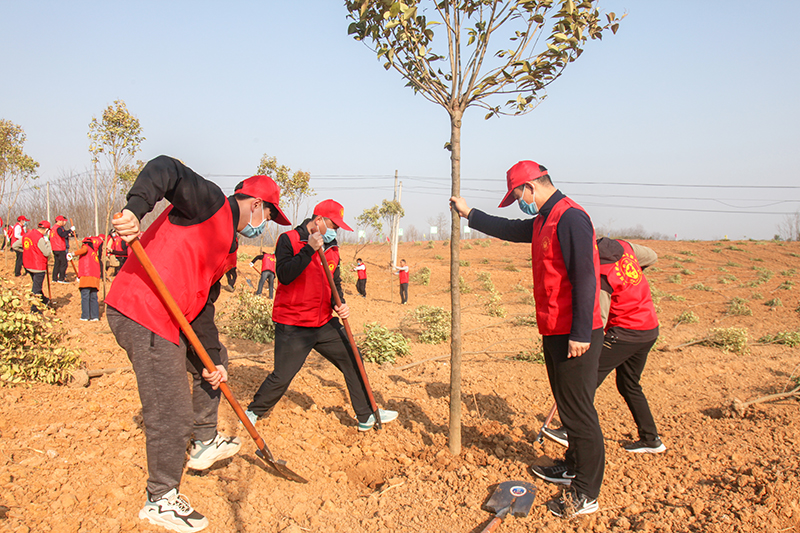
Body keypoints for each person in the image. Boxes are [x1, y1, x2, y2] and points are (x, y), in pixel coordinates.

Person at [105, 155, 292, 533]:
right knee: (169, 409)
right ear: (257, 204)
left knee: (214, 362)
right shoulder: (209, 203)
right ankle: (160, 498)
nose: (267, 225)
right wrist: (135, 209)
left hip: (173, 318)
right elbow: (165, 169)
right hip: (142, 309)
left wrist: (209, 357)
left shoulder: (229, 249)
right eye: (269, 217)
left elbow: (203, 304)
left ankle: (204, 441)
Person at [450, 160, 605, 518]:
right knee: (568, 408)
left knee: (580, 413)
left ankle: (586, 493)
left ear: (532, 187)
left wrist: (581, 332)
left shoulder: (571, 218)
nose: (520, 201)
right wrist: (469, 212)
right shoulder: (543, 219)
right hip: (554, 329)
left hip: (575, 333)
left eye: (518, 195)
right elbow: (508, 228)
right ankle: (571, 468)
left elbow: (585, 278)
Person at [245, 199, 398, 431]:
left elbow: (334, 281)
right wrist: (309, 249)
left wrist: (341, 304)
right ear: (318, 221)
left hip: (324, 322)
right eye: (333, 226)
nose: (335, 231)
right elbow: (285, 275)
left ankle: (366, 415)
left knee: (353, 359)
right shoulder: (289, 240)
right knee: (283, 376)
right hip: (293, 324)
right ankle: (252, 412)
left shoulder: (333, 248)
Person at [541, 238, 665, 453]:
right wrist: (631, 274)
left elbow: (599, 319)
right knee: (629, 385)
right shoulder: (624, 247)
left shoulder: (600, 275)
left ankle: (571, 431)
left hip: (625, 332)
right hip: (648, 329)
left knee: (582, 381)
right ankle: (651, 439)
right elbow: (652, 256)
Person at [14, 220, 52, 312]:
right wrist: (48, 243)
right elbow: (46, 253)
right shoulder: (39, 238)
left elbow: (15, 245)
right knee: (36, 288)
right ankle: (34, 308)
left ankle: (45, 300)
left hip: (28, 265)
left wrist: (26, 251)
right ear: (46, 230)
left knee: (36, 285)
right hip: (38, 266)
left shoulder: (27, 235)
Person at [73, 235, 104, 321]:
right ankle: (95, 316)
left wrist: (72, 254)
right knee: (93, 296)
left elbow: (83, 250)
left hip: (86, 276)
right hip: (95, 277)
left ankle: (85, 316)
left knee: (85, 296)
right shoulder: (94, 252)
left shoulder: (86, 247)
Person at [50, 216, 76, 283]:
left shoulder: (53, 228)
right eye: (63, 221)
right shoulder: (58, 228)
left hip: (54, 248)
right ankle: (61, 278)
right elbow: (62, 234)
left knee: (57, 263)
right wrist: (70, 230)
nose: (64, 223)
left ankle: (54, 278)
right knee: (64, 263)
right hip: (60, 248)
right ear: (59, 221)